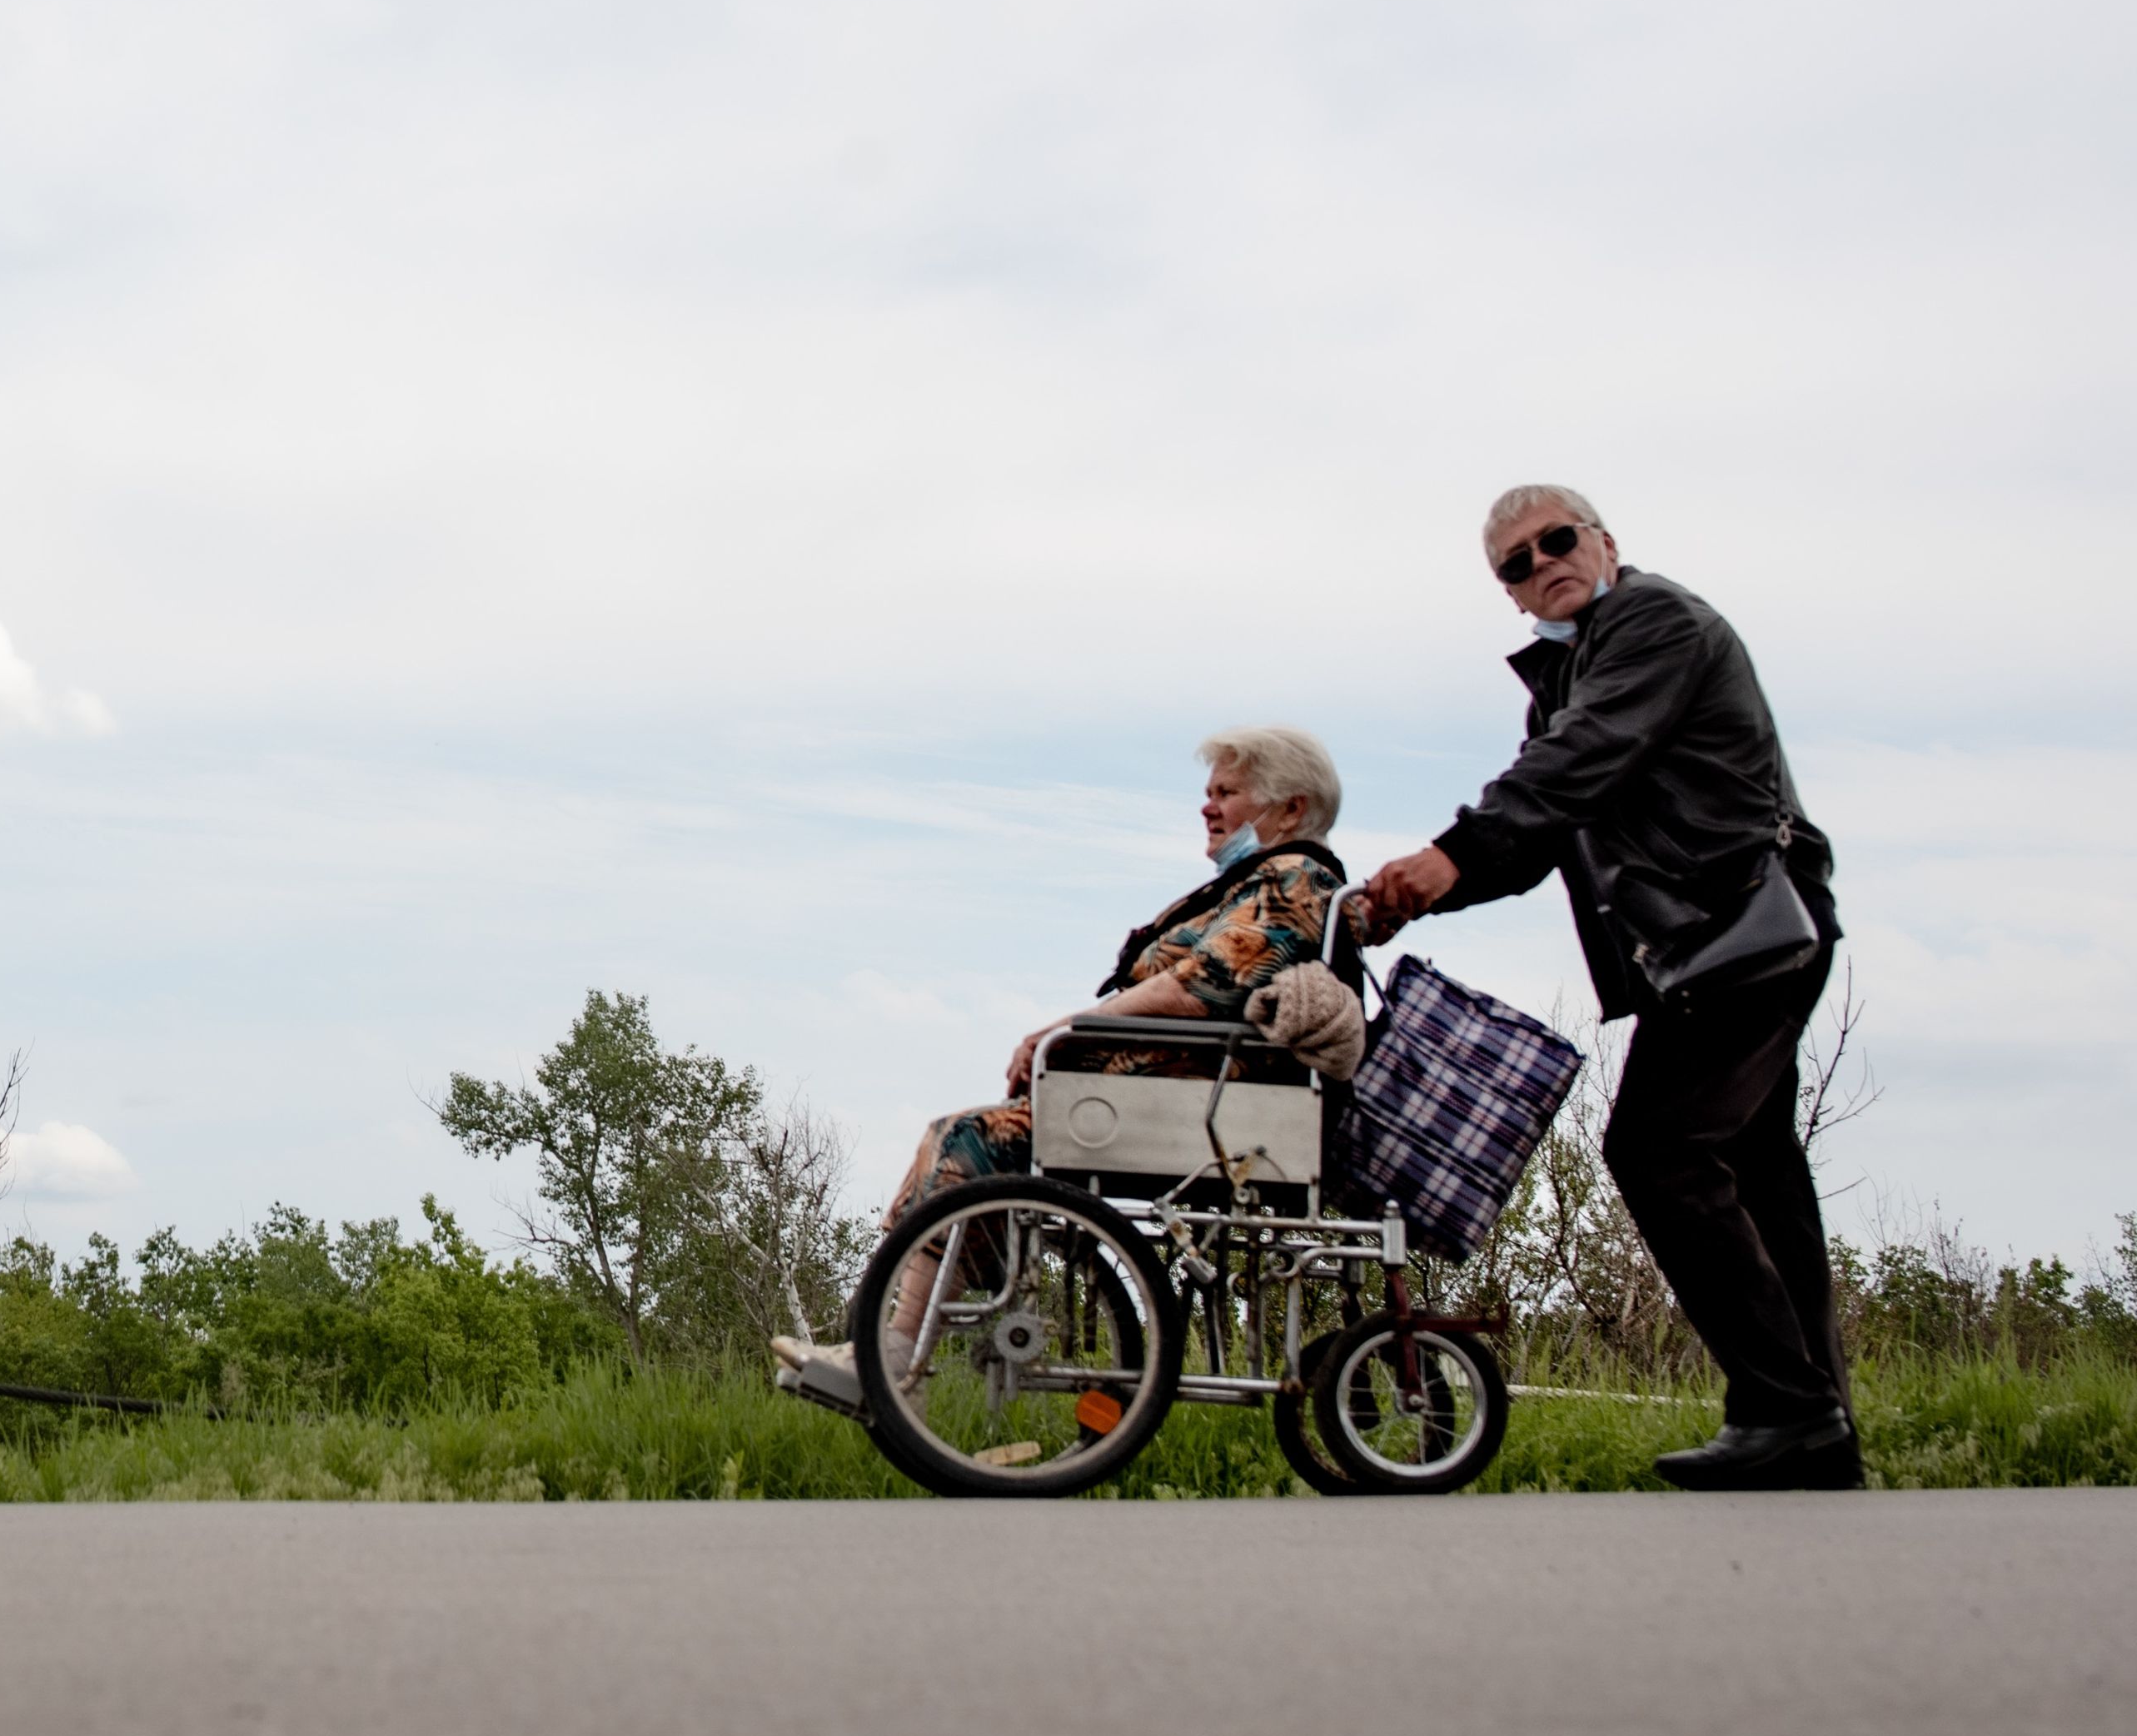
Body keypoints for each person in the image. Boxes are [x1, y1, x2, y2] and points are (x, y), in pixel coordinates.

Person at [1358, 485, 1854, 1490]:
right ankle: (1816, 1426)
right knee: (1754, 1167)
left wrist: (1450, 851)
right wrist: (1411, 897)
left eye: (1557, 540)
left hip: (1745, 930)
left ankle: (1786, 1409)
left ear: (1604, 542)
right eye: (1515, 561)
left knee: (1657, 1147)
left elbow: (1576, 766)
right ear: (1506, 590)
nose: (1541, 561)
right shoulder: (1565, 673)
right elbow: (1540, 829)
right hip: (1706, 945)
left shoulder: (1653, 622)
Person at [776, 725, 1350, 1399]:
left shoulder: (1295, 880)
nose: (1207, 806)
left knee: (971, 1140)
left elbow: (1205, 986)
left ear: (1292, 809)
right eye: (1209, 791)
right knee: (954, 1137)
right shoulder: (1255, 883)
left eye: (1227, 792)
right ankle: (886, 1344)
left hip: (1203, 1108)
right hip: (1162, 1097)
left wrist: (1069, 1027)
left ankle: (894, 1357)